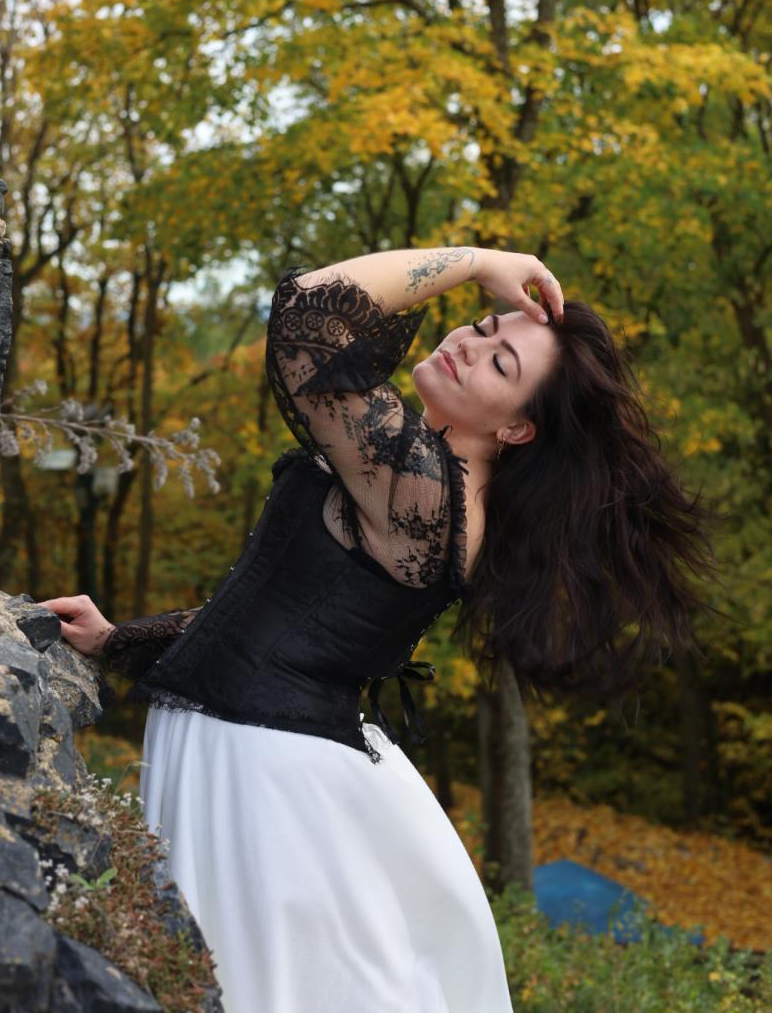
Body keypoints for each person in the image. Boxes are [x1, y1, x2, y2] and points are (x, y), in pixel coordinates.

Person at [44, 246, 717, 1013]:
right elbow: (280, 619)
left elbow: (308, 311)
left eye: (500, 363)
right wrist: (118, 638)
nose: (467, 346)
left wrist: (478, 261)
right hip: (259, 756)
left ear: (518, 429)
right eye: (482, 327)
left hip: (258, 777)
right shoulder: (431, 480)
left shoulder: (425, 489)